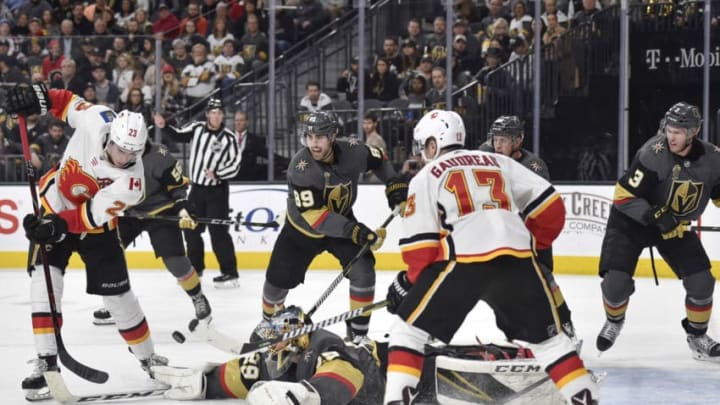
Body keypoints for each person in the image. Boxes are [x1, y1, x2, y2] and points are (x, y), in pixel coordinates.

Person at [383, 110, 598, 405]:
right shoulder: (501, 162)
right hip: (518, 262)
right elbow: (551, 208)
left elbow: (420, 248)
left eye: (424, 146)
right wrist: (531, 243)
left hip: (463, 265)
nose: (422, 154)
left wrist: (408, 283)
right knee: (551, 343)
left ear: (434, 144)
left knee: (407, 333)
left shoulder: (426, 177)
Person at [7, 84, 168, 401]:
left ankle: (149, 359)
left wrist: (55, 226)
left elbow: (90, 216)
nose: (125, 158)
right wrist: (36, 98)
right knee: (43, 283)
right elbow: (65, 102)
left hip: (96, 228)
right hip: (55, 204)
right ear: (112, 136)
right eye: (121, 149)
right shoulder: (97, 118)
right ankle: (46, 362)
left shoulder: (132, 182)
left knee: (119, 298)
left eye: (132, 153)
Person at [255, 111, 408, 343]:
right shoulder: (301, 167)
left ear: (333, 136)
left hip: (341, 220)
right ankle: (268, 327)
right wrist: (355, 231)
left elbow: (379, 160)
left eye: (320, 137)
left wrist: (394, 185)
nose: (314, 143)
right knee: (276, 283)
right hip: (302, 230)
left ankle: (358, 337)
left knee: (364, 270)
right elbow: (317, 217)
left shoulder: (354, 151)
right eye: (310, 136)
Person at [596, 101, 720, 362]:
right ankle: (614, 321)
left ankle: (697, 336)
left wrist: (668, 220)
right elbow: (623, 196)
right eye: (669, 129)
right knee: (615, 284)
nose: (671, 136)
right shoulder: (653, 153)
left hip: (672, 224)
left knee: (702, 282)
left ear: (694, 132)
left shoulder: (713, 158)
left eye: (678, 131)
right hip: (630, 220)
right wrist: (661, 218)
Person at [151, 306, 385, 404]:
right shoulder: (279, 359)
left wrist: (310, 395)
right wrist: (206, 382)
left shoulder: (325, 346)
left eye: (275, 342)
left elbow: (344, 373)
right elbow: (245, 372)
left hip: (394, 368)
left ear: (297, 339)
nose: (270, 350)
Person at [92, 141, 212, 326]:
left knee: (176, 262)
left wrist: (183, 208)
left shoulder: (160, 155)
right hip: (127, 212)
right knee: (107, 253)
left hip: (160, 211)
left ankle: (198, 297)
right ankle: (117, 303)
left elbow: (178, 185)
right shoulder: (107, 151)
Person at [486, 116, 575, 337]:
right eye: (496, 139)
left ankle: (564, 322)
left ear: (518, 141)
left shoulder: (533, 167)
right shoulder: (484, 156)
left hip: (531, 234)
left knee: (544, 279)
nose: (497, 145)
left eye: (504, 140)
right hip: (502, 236)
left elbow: (541, 207)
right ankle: (515, 333)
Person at [154, 98, 242, 288]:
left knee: (219, 232)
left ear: (222, 115)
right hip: (197, 190)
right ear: (207, 114)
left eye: (219, 113)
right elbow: (178, 135)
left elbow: (235, 165)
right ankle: (196, 269)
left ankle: (230, 273)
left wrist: (217, 173)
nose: (216, 116)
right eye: (213, 112)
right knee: (191, 230)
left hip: (217, 191)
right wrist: (165, 125)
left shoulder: (229, 137)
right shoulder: (197, 129)